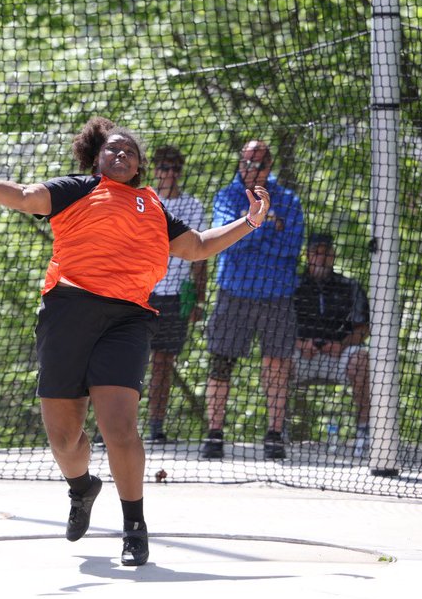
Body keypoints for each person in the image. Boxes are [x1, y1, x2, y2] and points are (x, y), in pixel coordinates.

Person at [0, 117, 271, 567]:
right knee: (64, 438)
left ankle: (134, 527)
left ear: (140, 166)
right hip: (67, 312)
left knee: (119, 427)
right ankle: (82, 487)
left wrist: (250, 220)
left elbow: (198, 246)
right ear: (97, 159)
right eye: (113, 149)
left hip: (128, 319)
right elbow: (28, 197)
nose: (122, 154)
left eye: (130, 151)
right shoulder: (78, 188)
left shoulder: (151, 203)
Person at [201, 139, 305, 460]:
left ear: (268, 166)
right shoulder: (226, 196)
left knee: (276, 364)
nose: (249, 169)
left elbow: (291, 246)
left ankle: (274, 435)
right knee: (221, 362)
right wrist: (264, 226)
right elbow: (226, 243)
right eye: (245, 162)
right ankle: (214, 434)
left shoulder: (288, 200)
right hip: (235, 292)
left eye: (257, 164)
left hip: (277, 295)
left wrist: (248, 227)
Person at [144, 145, 207, 444]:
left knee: (163, 363)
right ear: (155, 170)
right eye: (164, 167)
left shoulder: (193, 206)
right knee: (126, 361)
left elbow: (201, 256)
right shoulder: (143, 200)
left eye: (175, 168)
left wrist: (198, 300)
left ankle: (156, 425)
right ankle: (113, 429)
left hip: (173, 297)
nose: (170, 173)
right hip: (140, 292)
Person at [291, 232, 372, 457]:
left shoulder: (350, 286)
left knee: (362, 358)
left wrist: (342, 345)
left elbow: (363, 328)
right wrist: (299, 343)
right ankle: (277, 431)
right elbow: (278, 326)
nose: (321, 258)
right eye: (316, 253)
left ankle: (364, 431)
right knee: (276, 359)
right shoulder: (293, 285)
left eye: (326, 253)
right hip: (301, 356)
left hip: (339, 358)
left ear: (333, 256)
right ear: (308, 256)